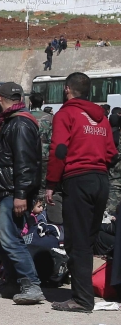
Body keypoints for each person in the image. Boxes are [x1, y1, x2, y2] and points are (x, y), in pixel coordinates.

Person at [45, 72, 117, 312]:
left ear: (66, 89)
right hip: (100, 180)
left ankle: (82, 299)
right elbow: (111, 153)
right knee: (89, 238)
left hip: (78, 179)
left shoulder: (65, 114)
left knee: (77, 241)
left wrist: (51, 183)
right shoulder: (101, 117)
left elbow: (59, 150)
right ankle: (83, 294)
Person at [0, 82, 44, 305]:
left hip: (12, 191)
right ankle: (13, 282)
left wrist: (21, 195)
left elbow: (26, 163)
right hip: (4, 190)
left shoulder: (19, 124)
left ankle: (31, 284)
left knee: (10, 240)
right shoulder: (9, 122)